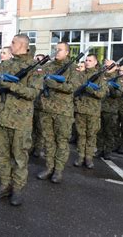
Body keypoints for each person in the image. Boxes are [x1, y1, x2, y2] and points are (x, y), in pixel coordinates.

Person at [0, 35, 38, 207]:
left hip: (20, 121)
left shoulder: (34, 68)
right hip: (1, 118)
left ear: (23, 45)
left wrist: (10, 85)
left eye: (13, 42)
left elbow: (32, 93)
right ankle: (4, 185)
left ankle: (17, 189)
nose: (10, 45)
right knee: (2, 155)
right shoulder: (7, 64)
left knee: (19, 157)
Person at [37, 42, 77, 184]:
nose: (57, 52)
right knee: (48, 141)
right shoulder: (48, 66)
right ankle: (49, 167)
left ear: (67, 52)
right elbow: (38, 81)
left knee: (61, 141)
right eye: (55, 49)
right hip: (46, 109)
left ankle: (58, 170)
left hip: (63, 111)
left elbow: (72, 87)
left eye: (60, 50)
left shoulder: (72, 68)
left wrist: (52, 83)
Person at [73, 54, 107, 169]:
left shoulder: (100, 77)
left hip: (93, 111)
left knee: (91, 135)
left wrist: (91, 90)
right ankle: (80, 156)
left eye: (90, 60)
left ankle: (89, 158)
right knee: (81, 135)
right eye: (86, 60)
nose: (87, 62)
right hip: (80, 110)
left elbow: (102, 94)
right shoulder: (79, 75)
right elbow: (74, 90)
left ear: (95, 62)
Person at [98, 60, 121, 160]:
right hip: (100, 107)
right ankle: (100, 149)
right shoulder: (101, 75)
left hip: (111, 109)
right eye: (106, 65)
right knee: (100, 131)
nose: (106, 67)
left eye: (109, 65)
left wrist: (112, 88)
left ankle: (108, 151)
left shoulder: (118, 78)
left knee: (109, 132)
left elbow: (119, 94)